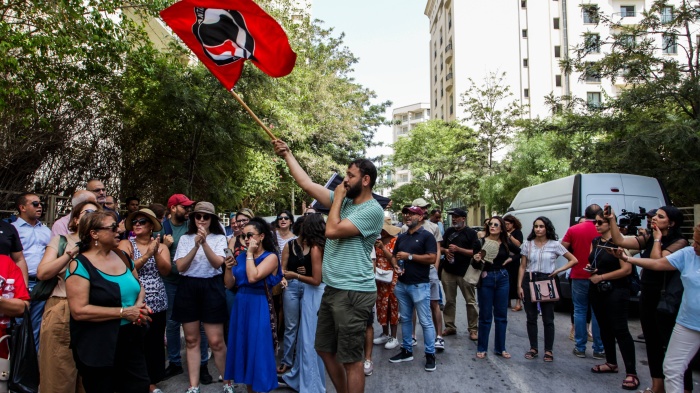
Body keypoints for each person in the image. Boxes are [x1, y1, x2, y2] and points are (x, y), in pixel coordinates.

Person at [274, 139, 383, 393]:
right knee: (323, 348)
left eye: (350, 175)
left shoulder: (372, 211)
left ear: (365, 180)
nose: (345, 180)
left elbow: (332, 230)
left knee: (351, 359)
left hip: (354, 291)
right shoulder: (343, 201)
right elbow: (306, 183)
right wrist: (288, 155)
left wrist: (338, 199)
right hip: (333, 288)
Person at [606, 205, 691, 393]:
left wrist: (658, 239)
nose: (654, 219)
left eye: (660, 217)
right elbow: (620, 240)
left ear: (672, 222)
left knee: (672, 346)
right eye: (654, 216)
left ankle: (686, 389)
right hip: (648, 294)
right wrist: (612, 219)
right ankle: (657, 386)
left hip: (667, 298)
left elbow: (657, 262)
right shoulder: (650, 238)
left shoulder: (680, 242)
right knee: (652, 341)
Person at [65, 211, 152, 392]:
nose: (119, 230)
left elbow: (139, 286)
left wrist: (138, 306)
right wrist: (124, 312)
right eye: (112, 228)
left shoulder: (122, 256)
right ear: (94, 233)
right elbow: (79, 310)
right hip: (98, 345)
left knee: (139, 387)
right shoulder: (79, 265)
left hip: (131, 339)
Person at [37, 200, 100, 393]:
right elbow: (43, 273)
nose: (91, 215)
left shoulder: (103, 244)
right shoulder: (62, 240)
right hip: (62, 308)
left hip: (94, 312)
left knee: (89, 378)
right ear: (75, 218)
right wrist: (69, 255)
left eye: (96, 213)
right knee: (59, 375)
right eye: (86, 211)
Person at [172, 202, 231, 393]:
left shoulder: (220, 238)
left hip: (211, 286)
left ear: (212, 219)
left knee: (216, 341)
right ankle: (193, 385)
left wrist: (204, 242)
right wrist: (195, 245)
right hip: (188, 287)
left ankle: (227, 382)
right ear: (193, 218)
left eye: (206, 217)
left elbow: (217, 265)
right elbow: (181, 267)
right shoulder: (185, 239)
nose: (202, 220)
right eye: (198, 216)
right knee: (191, 340)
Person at [158, 194, 212, 383]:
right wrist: (163, 246)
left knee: (202, 325)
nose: (189, 211)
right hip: (171, 282)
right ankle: (174, 362)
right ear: (173, 208)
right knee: (172, 323)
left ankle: (202, 364)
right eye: (184, 207)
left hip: (192, 281)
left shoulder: (192, 226)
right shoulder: (162, 229)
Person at [224, 217, 282, 393]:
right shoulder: (241, 257)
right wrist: (227, 268)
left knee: (259, 351)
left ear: (262, 236)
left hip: (258, 305)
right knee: (245, 349)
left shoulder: (270, 257)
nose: (247, 239)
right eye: (244, 236)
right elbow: (229, 284)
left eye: (250, 235)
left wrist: (249, 254)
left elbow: (253, 277)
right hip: (241, 304)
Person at [118, 209, 170, 393]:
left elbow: (165, 271)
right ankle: (138, 381)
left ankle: (153, 381)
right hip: (134, 299)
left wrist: (155, 252)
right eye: (135, 222)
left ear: (151, 226)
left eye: (142, 221)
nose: (137, 224)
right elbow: (126, 269)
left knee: (155, 343)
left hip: (157, 299)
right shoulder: (126, 243)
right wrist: (146, 255)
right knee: (135, 342)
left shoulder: (161, 246)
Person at [586, 211, 638, 391]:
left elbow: (626, 269)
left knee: (620, 330)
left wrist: (601, 277)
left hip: (616, 290)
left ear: (610, 224)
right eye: (596, 222)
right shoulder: (596, 241)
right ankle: (611, 362)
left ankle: (631, 372)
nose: (597, 225)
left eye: (600, 222)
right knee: (604, 327)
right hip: (597, 290)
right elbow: (592, 261)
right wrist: (590, 270)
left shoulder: (619, 241)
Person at [517, 216, 577, 362]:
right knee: (531, 317)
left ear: (547, 228)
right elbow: (523, 266)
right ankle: (533, 348)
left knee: (548, 318)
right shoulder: (527, 244)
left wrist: (558, 271)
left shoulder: (555, 244)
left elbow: (574, 260)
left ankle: (548, 350)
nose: (538, 229)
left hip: (547, 280)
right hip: (529, 279)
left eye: (541, 226)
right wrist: (519, 285)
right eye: (536, 226)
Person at [388, 205, 438, 371]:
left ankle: (430, 355)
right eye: (406, 214)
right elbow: (394, 257)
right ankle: (407, 350)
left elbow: (432, 258)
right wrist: (395, 266)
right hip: (402, 284)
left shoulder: (427, 236)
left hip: (419, 285)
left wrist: (409, 256)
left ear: (421, 217)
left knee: (425, 322)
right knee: (406, 320)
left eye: (412, 214)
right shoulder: (401, 237)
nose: (407, 216)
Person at [281, 213, 327, 392]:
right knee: (304, 338)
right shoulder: (323, 244)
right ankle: (300, 378)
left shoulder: (315, 248)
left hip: (315, 293)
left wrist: (296, 275)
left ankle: (312, 386)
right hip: (315, 293)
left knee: (309, 342)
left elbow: (316, 280)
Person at [472, 216, 520, 359]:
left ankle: (501, 348)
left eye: (496, 224)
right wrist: (476, 260)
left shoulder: (505, 242)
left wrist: (510, 259)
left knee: (501, 316)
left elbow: (520, 253)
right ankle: (482, 347)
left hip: (502, 278)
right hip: (486, 278)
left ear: (501, 228)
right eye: (491, 224)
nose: (492, 226)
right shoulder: (480, 242)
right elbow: (474, 265)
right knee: (485, 316)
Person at [562, 204, 605, 359]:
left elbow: (563, 249)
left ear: (585, 214)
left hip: (579, 273)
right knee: (597, 312)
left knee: (579, 310)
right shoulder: (604, 230)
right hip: (599, 276)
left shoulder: (574, 229)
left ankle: (580, 347)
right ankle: (599, 348)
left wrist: (575, 255)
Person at [12, 192, 52, 350]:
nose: (40, 206)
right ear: (22, 207)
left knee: (37, 327)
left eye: (41, 203)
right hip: (20, 283)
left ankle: (32, 368)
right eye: (35, 204)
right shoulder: (13, 229)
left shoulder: (46, 230)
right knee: (18, 325)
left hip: (42, 284)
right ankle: (13, 366)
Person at [440, 208, 480, 340]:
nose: (454, 219)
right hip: (448, 271)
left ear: (463, 218)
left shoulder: (471, 233)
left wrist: (458, 249)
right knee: (449, 301)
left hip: (465, 272)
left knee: (470, 302)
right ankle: (450, 326)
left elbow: (475, 252)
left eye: (457, 217)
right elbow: (439, 247)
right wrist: (446, 250)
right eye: (453, 217)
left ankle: (473, 329)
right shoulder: (449, 231)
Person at [372, 217, 401, 350]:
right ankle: (385, 333)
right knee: (382, 305)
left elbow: (394, 259)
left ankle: (394, 337)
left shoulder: (395, 241)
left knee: (392, 305)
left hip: (392, 278)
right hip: (380, 279)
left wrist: (383, 248)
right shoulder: (376, 242)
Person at [276, 209, 298, 374]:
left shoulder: (296, 239)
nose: (282, 220)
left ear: (291, 221)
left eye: (286, 218)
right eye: (280, 218)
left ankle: (294, 357)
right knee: (275, 314)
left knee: (289, 319)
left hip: (289, 279)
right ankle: (278, 351)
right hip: (269, 276)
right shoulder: (271, 236)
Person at [503, 215, 523, 311]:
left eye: (507, 224)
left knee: (515, 279)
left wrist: (509, 236)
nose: (506, 226)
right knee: (507, 280)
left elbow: (518, 244)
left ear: (512, 224)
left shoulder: (517, 232)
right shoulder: (503, 232)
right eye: (504, 224)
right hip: (505, 258)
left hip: (514, 259)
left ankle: (518, 303)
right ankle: (508, 301)